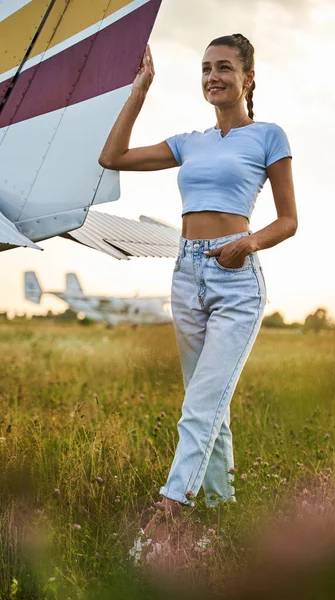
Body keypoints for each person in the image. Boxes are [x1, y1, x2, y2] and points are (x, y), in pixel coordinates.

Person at [99, 33, 297, 552]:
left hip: (236, 277)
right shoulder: (190, 141)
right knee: (209, 406)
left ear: (247, 77)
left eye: (225, 67)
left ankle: (168, 512)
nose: (213, 76)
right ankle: (221, 517)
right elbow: (111, 156)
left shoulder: (269, 137)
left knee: (201, 406)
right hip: (186, 274)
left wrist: (247, 243)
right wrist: (140, 89)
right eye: (207, 67)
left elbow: (289, 220)